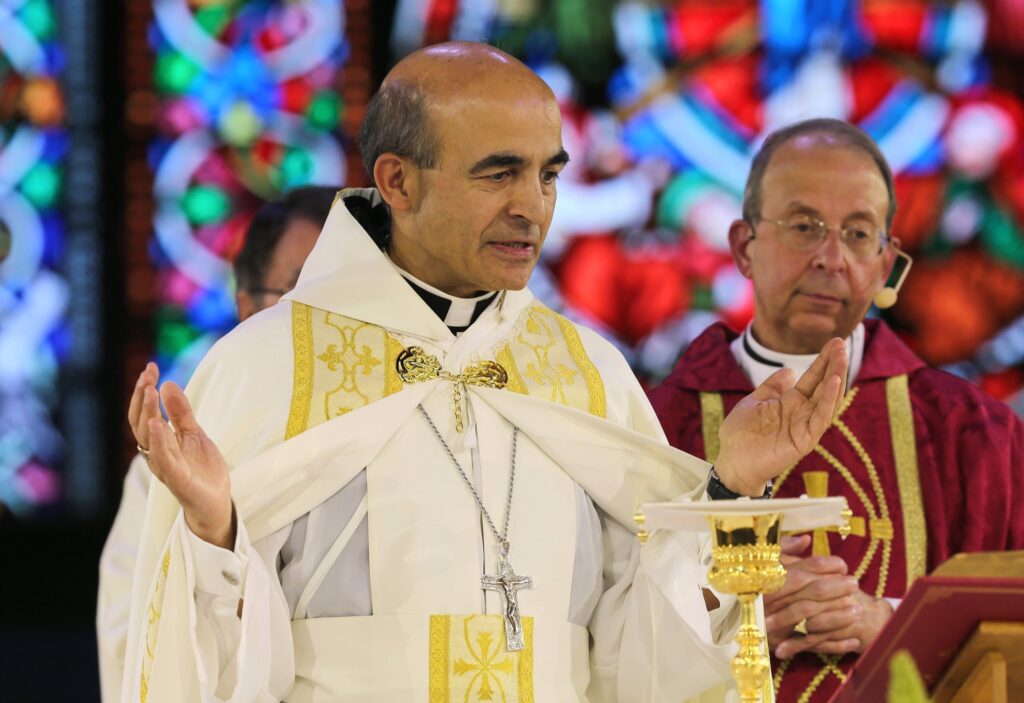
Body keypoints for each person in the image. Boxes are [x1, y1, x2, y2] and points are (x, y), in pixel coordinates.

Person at [121, 43, 848, 703]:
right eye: (499, 172)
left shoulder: (586, 373)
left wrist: (729, 488)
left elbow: (644, 671)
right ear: (398, 182)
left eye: (548, 175)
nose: (532, 206)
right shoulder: (268, 366)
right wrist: (214, 532)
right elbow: (203, 664)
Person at [649, 118, 1024, 703]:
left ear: (886, 266)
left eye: (857, 234)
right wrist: (727, 621)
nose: (831, 257)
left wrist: (889, 625)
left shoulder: (975, 436)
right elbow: (601, 636)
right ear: (744, 247)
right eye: (804, 226)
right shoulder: (655, 425)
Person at [96, 185, 335, 703]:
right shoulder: (170, 469)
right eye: (302, 294)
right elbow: (135, 653)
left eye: (345, 294)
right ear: (247, 306)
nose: (331, 321)